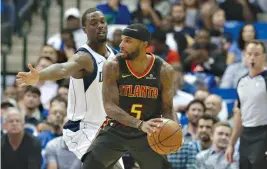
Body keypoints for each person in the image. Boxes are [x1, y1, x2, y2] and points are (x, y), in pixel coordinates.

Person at [16, 8, 124, 169]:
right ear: (85, 30)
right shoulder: (84, 58)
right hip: (84, 129)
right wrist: (40, 75)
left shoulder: (114, 56)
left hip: (107, 128)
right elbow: (62, 69)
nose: (100, 26)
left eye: (102, 21)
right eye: (94, 23)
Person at [82, 23, 179, 169]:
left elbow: (167, 107)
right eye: (121, 40)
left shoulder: (164, 70)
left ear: (143, 44)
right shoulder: (113, 65)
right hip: (117, 128)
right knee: (90, 165)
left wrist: (174, 130)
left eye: (128, 41)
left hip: (148, 132)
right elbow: (110, 107)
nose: (121, 45)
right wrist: (139, 124)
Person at [225, 40, 267, 169]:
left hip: (264, 133)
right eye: (249, 54)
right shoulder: (241, 81)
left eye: (256, 54)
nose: (252, 57)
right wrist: (231, 144)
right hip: (246, 135)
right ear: (244, 55)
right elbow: (238, 114)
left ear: (264, 56)